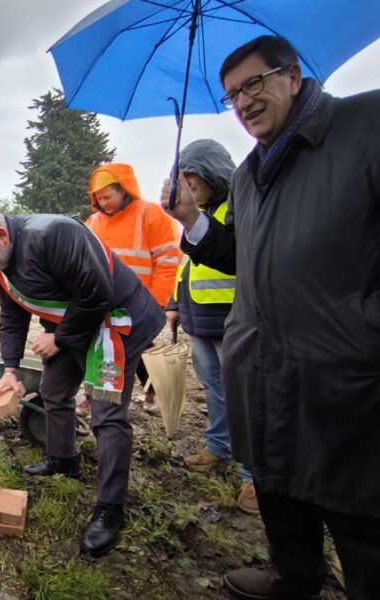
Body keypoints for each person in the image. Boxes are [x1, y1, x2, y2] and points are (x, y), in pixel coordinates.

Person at [162, 35, 380, 600]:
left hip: (347, 372)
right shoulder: (252, 174)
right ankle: (297, 576)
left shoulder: (365, 126)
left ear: (294, 75)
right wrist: (191, 221)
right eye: (233, 94)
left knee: (360, 509)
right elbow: (243, 255)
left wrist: (363, 334)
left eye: (255, 83)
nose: (244, 102)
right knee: (280, 484)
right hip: (261, 364)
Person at [0, 208, 164, 557]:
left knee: (106, 413)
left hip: (112, 323)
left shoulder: (53, 234)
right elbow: (12, 315)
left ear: (1, 235)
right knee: (53, 390)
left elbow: (97, 291)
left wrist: (60, 339)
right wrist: (9, 370)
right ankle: (63, 459)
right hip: (73, 326)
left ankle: (110, 509)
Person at [162, 139, 258, 515]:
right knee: (216, 391)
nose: (186, 184)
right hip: (199, 321)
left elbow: (237, 257)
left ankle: (254, 478)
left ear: (211, 170)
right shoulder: (196, 216)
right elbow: (186, 268)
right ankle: (219, 448)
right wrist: (173, 305)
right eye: (180, 177)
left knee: (245, 398)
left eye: (191, 175)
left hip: (233, 320)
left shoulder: (235, 210)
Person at [86, 163, 181, 413]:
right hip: (102, 302)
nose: (103, 202)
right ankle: (94, 394)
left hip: (140, 302)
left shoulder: (149, 214)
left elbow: (168, 260)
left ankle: (150, 391)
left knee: (138, 350)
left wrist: (158, 302)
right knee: (98, 348)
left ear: (124, 190)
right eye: (99, 197)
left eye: (108, 196)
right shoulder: (93, 222)